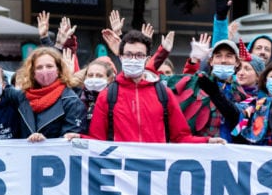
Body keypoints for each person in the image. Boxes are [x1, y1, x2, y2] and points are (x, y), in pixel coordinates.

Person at [73, 30, 218, 144]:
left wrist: (207, 142)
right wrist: (78, 138)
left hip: (155, 176)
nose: (133, 59)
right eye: (128, 55)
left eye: (139, 55)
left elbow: (180, 137)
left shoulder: (164, 94)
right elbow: (97, 140)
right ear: (121, 57)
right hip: (121, 175)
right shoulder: (107, 95)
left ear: (147, 59)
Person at [13, 45, 85, 142]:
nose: (44, 71)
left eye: (49, 66)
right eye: (39, 67)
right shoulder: (21, 97)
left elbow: (72, 138)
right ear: (32, 72)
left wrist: (45, 143)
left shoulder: (71, 101)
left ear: (58, 70)